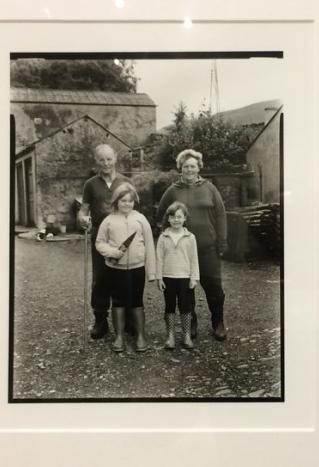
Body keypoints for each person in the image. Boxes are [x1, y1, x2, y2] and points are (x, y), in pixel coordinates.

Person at [156, 149, 228, 340]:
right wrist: (169, 240)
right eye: (186, 166)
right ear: (181, 168)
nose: (189, 169)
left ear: (199, 167)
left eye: (193, 166)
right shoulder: (173, 190)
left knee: (214, 288)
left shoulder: (209, 188)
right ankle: (192, 324)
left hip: (207, 248)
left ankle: (218, 323)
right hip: (182, 252)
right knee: (186, 290)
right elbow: (161, 216)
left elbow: (221, 215)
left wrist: (221, 242)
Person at [94, 182, 156, 352]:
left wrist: (151, 272)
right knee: (118, 302)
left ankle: (140, 335)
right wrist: (111, 252)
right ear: (116, 201)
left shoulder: (141, 219)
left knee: (137, 301)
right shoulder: (109, 220)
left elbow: (150, 245)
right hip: (115, 270)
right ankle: (119, 336)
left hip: (137, 268)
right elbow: (99, 242)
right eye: (123, 201)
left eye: (130, 200)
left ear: (134, 201)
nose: (127, 204)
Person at [79, 144, 130, 339]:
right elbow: (83, 209)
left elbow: (133, 208)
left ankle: (125, 319)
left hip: (122, 237)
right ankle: (100, 320)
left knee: (123, 277)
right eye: (102, 160)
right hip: (99, 238)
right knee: (100, 279)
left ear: (115, 158)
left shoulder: (126, 182)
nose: (106, 163)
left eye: (109, 159)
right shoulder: (90, 184)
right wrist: (82, 218)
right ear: (97, 161)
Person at [156, 201, 200, 350]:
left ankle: (186, 335)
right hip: (168, 276)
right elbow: (159, 258)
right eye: (173, 216)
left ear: (185, 218)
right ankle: (170, 337)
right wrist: (159, 277)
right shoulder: (163, 237)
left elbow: (194, 258)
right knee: (169, 306)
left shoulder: (190, 237)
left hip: (185, 278)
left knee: (185, 306)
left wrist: (194, 277)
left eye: (179, 217)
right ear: (168, 219)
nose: (176, 220)